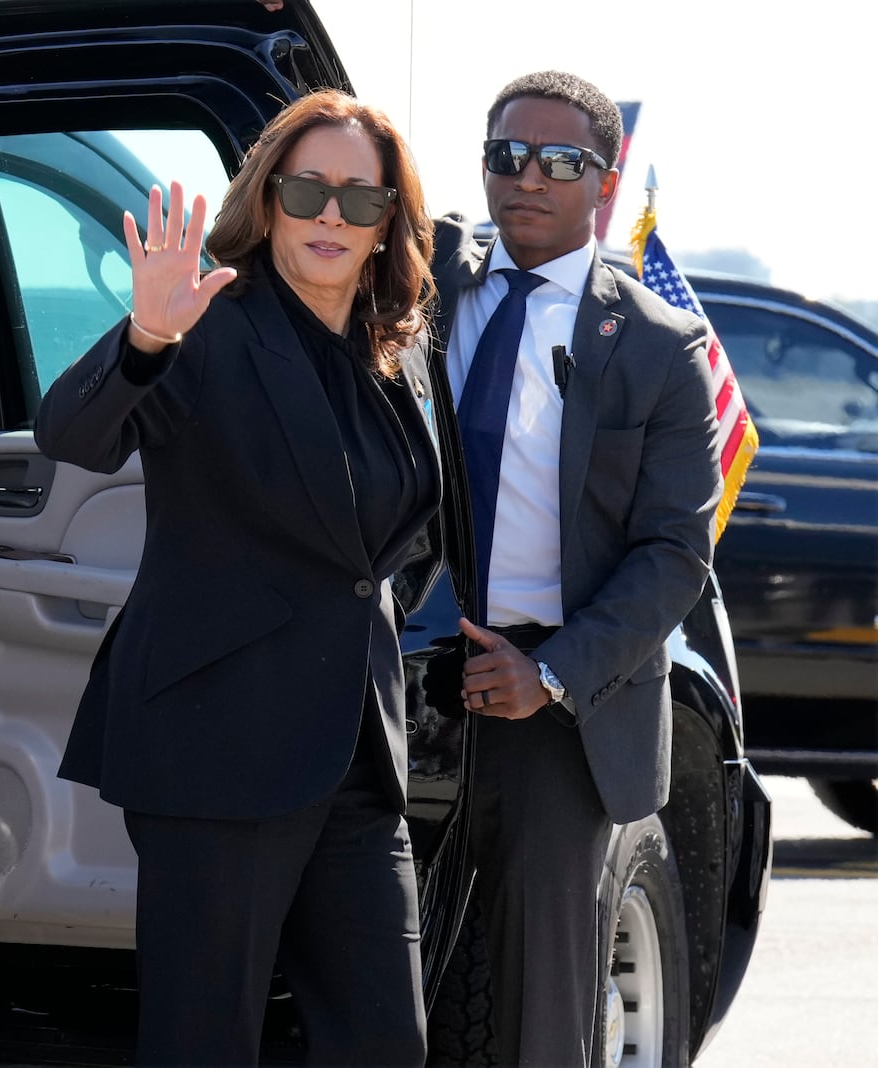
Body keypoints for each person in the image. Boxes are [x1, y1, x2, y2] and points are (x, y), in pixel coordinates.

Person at [37, 90, 444, 1066]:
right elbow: (72, 436)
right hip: (218, 746)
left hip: (354, 751)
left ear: (390, 217)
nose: (330, 217)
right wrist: (145, 336)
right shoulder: (209, 323)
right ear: (268, 199)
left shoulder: (394, 351)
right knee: (202, 1043)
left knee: (386, 1042)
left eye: (359, 197)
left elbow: (388, 545)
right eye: (307, 190)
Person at [432, 70, 723, 1067]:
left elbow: (674, 552)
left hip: (559, 703)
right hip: (403, 676)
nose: (526, 179)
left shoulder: (655, 343)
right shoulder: (426, 286)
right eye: (505, 156)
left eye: (558, 162)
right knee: (362, 963)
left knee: (539, 1004)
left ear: (602, 181)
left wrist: (549, 671)